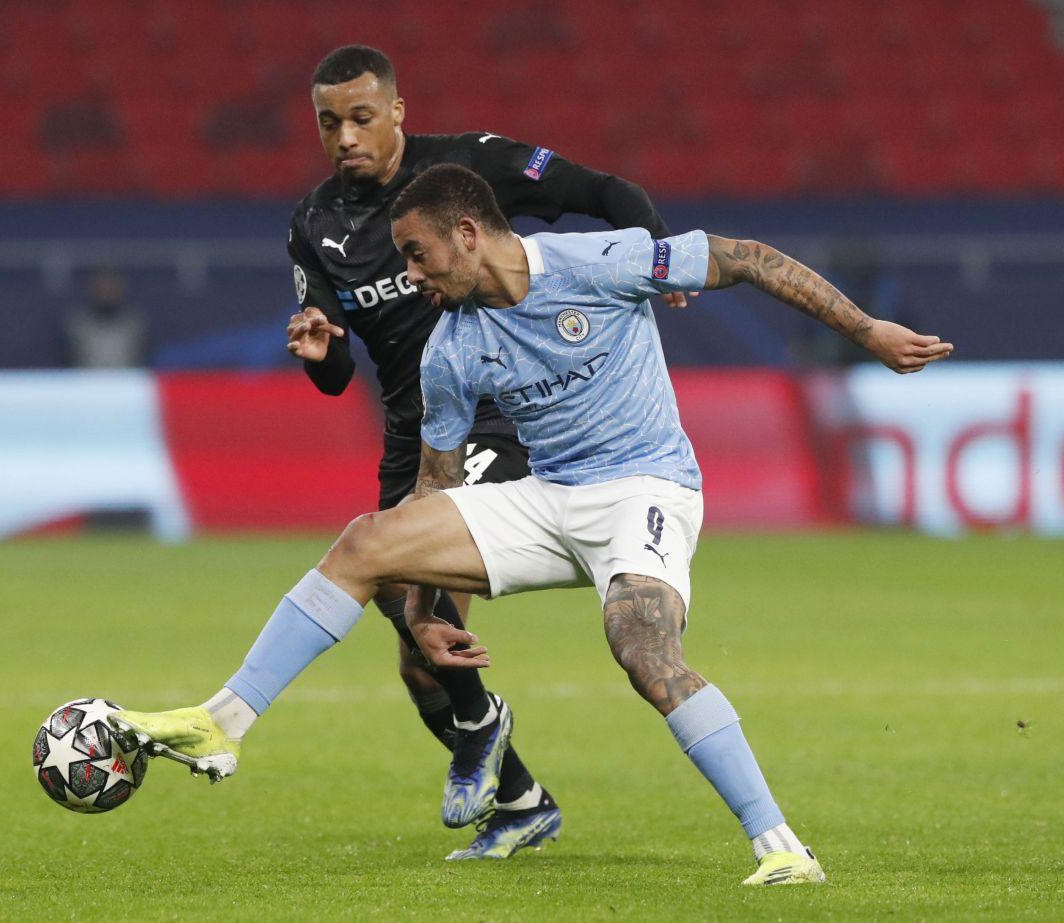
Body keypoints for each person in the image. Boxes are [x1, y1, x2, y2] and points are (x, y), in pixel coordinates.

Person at [113, 164, 952, 884]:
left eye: (416, 254)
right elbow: (434, 492)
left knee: (642, 647)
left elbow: (748, 259)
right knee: (367, 541)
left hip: (645, 487)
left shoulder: (602, 262)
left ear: (468, 234)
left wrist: (867, 331)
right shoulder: (450, 347)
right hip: (549, 498)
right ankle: (224, 722)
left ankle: (781, 846)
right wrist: (422, 615)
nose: (409, 276)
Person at [281, 44, 692, 858]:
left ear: (397, 110)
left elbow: (603, 192)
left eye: (362, 117)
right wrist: (322, 348)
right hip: (416, 427)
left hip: (501, 413)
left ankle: (481, 723)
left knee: (413, 583)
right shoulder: (315, 226)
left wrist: (657, 252)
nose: (346, 137)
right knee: (415, 660)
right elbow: (333, 377)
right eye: (330, 123)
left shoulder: (469, 170)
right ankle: (520, 799)